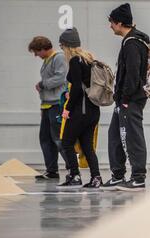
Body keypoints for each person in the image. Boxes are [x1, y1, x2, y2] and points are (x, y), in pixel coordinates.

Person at [102, 3, 150, 192]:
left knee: (132, 137)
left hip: (131, 99)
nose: (110, 26)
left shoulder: (132, 44)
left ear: (120, 23)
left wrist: (125, 97)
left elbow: (132, 74)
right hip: (123, 99)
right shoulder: (130, 41)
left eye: (111, 23)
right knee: (115, 135)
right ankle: (118, 175)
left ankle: (138, 178)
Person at [57, 27, 102, 189]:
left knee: (66, 142)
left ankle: (75, 175)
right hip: (93, 111)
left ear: (68, 46)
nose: (62, 50)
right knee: (87, 146)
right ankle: (96, 177)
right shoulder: (89, 59)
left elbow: (76, 87)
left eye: (62, 47)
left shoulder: (75, 60)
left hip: (80, 111)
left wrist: (67, 107)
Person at [28, 36, 68, 180]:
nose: (36, 55)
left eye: (36, 52)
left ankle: (72, 169)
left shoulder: (58, 57)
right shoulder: (47, 60)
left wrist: (43, 84)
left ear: (43, 48)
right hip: (47, 105)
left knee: (58, 138)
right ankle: (52, 171)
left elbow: (61, 78)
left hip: (57, 104)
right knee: (45, 138)